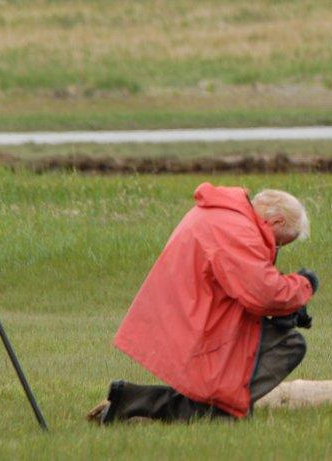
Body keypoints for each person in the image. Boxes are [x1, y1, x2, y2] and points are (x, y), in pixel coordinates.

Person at [87, 182, 318, 424]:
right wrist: (304, 285)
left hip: (186, 317)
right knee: (290, 345)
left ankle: (133, 401)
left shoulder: (224, 214)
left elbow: (244, 285)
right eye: (281, 242)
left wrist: (286, 308)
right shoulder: (236, 229)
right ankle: (209, 410)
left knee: (285, 340)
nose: (277, 248)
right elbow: (263, 293)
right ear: (277, 222)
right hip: (197, 328)